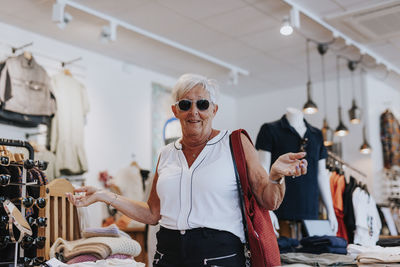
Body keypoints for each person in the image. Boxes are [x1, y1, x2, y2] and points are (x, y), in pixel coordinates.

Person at [67, 74, 308, 267]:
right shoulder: (165, 154)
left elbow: (269, 200)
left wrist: (276, 175)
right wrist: (104, 195)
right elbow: (152, 213)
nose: (194, 112)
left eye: (202, 104)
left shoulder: (234, 143)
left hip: (219, 255)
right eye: (185, 104)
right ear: (175, 111)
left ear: (214, 109)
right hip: (168, 254)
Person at [256, 107, 338, 236]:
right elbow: (262, 170)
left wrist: (331, 211)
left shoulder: (316, 134)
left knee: (311, 254)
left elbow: (322, 174)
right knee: (283, 254)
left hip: (310, 210)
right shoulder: (270, 130)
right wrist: (267, 209)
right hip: (280, 208)